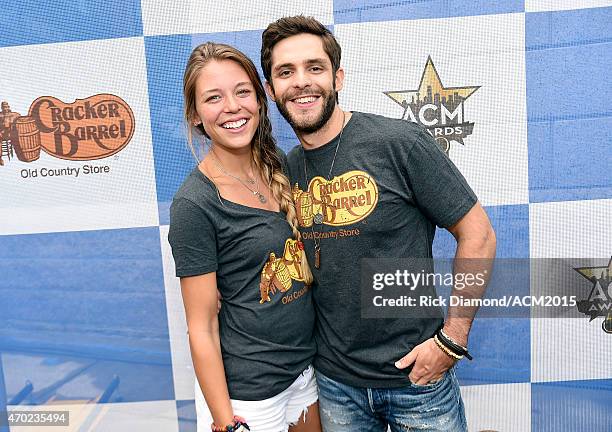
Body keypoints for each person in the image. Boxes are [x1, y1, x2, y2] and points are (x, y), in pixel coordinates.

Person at [260, 16, 497, 431]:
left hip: (418, 382)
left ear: (338, 77)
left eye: (314, 68)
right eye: (286, 72)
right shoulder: (284, 171)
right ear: (271, 90)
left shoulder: (399, 143)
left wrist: (453, 338)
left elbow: (477, 233)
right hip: (335, 385)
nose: (301, 82)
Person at [168, 42, 322, 432]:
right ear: (195, 114)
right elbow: (201, 326)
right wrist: (226, 420)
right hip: (249, 398)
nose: (232, 107)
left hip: (305, 374)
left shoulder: (280, 166)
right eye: (213, 97)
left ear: (260, 99)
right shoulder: (195, 203)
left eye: (242, 92)